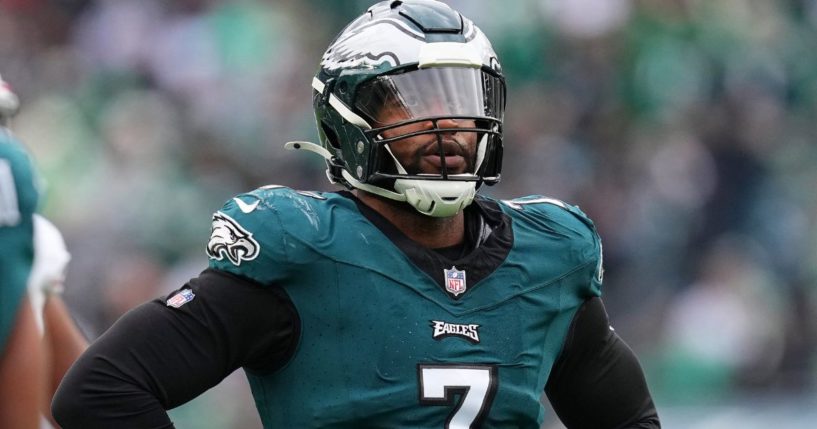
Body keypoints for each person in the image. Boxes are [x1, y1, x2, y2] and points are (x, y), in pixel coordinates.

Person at [53, 1, 661, 428]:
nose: (446, 125)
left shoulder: (548, 257)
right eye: (412, 102)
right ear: (346, 123)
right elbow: (101, 391)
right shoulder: (304, 250)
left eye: (462, 99)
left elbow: (629, 420)